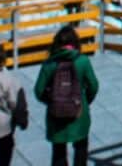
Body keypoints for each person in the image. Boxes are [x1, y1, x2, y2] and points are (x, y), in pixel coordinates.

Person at [34, 26, 98, 166]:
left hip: (56, 115)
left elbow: (39, 91)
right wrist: (85, 100)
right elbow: (93, 86)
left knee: (58, 153)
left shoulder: (49, 64)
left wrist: (52, 101)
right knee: (81, 149)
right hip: (79, 112)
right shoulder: (83, 61)